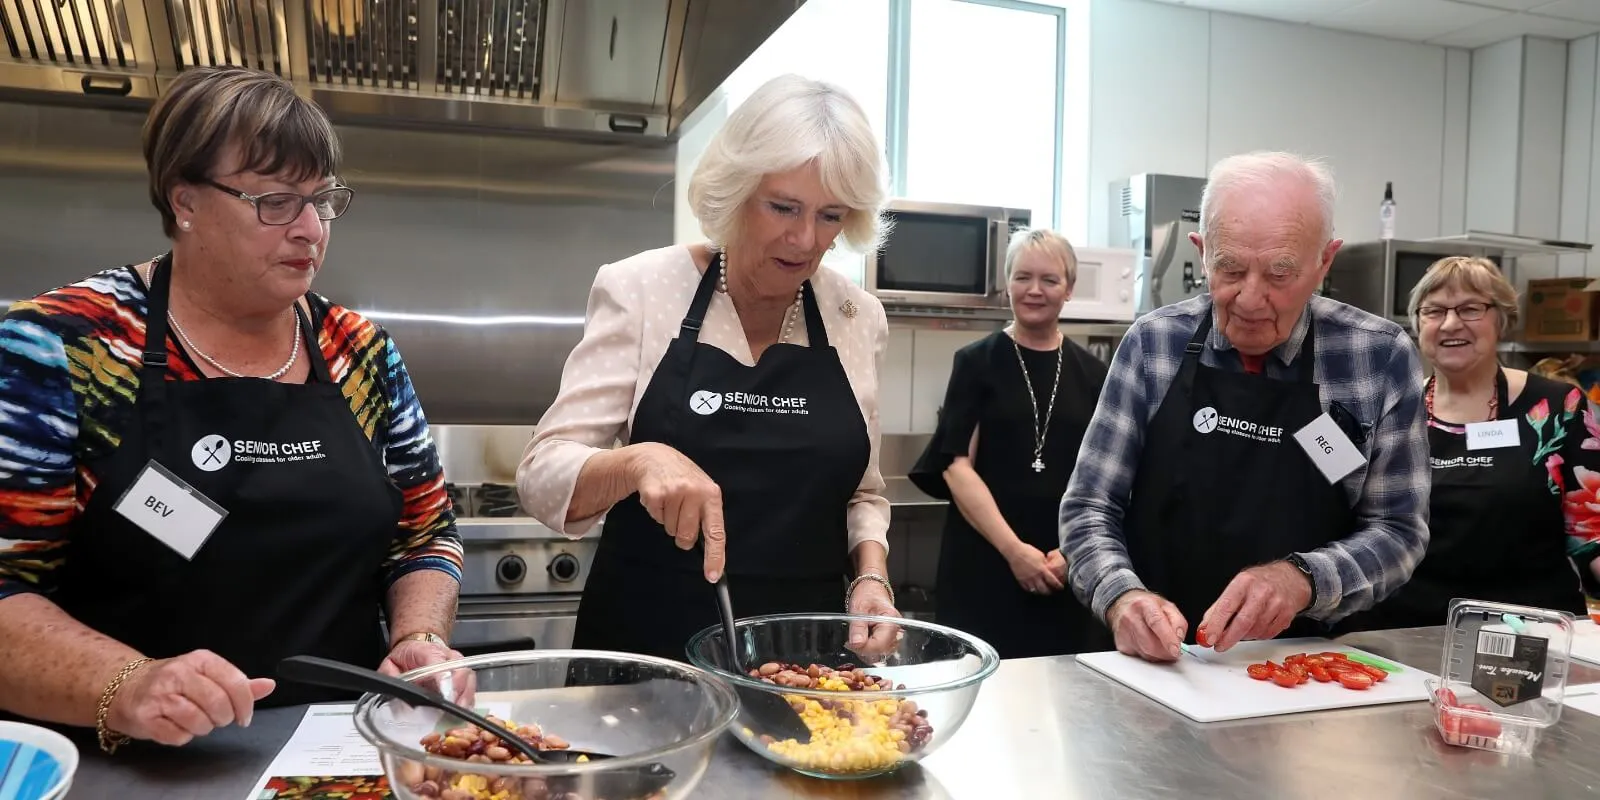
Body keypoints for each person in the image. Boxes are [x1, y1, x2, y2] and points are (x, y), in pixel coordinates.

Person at [0, 66, 465, 751]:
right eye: (276, 200)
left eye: (324, 200)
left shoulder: (360, 353)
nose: (311, 229)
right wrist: (127, 683)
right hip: (132, 765)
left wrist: (420, 636)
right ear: (185, 200)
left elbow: (426, 537)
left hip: (342, 754)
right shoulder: (63, 346)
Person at [517, 74, 900, 661]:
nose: (805, 238)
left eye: (830, 216)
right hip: (650, 651)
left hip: (805, 661)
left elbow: (863, 492)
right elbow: (542, 477)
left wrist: (871, 575)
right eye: (783, 207)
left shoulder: (856, 315)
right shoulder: (642, 288)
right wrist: (639, 460)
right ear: (737, 189)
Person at [1059, 151, 1431, 662]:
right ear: (1201, 251)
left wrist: (1303, 578)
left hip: (1299, 672)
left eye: (1281, 275)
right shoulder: (1153, 344)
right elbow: (1089, 508)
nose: (1251, 300)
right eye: (1230, 269)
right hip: (1155, 664)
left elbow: (1397, 531)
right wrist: (1122, 596)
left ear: (1325, 261)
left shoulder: (1376, 356)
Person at [1336, 257, 1600, 631]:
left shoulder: (1560, 409)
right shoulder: (1386, 409)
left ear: (1502, 318)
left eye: (1470, 309)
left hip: (1527, 635)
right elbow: (1339, 510)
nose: (1450, 324)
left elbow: (1594, 532)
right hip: (1399, 637)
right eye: (1434, 311)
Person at [908, 228, 1107, 658]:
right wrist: (1015, 551)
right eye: (1022, 277)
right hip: (986, 561)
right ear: (1007, 284)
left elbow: (1102, 477)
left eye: (1049, 280)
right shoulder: (976, 362)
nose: (1034, 290)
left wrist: (1071, 552)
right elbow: (956, 466)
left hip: (1063, 568)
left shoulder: (1093, 374)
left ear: (1068, 289)